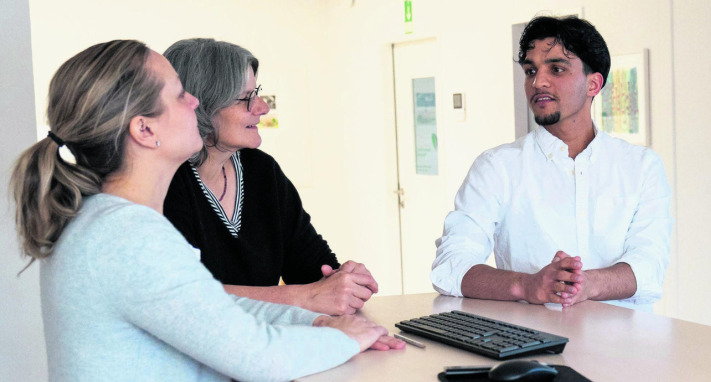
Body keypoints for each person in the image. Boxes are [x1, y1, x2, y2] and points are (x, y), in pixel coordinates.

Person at [11, 40, 402, 381]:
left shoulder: (106, 221)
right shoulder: (129, 238)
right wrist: (343, 337)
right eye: (180, 94)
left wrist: (314, 321)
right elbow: (258, 357)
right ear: (144, 130)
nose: (196, 101)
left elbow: (216, 307)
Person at [431, 16, 672, 311]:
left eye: (556, 69)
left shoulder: (641, 167)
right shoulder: (497, 167)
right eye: (530, 70)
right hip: (529, 346)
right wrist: (528, 285)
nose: (538, 82)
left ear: (593, 84)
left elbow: (649, 266)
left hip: (626, 346)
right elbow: (450, 266)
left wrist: (586, 284)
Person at [162, 38, 377, 316]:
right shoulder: (165, 181)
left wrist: (341, 280)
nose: (262, 107)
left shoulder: (261, 171)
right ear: (200, 104)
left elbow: (311, 268)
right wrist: (305, 296)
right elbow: (183, 295)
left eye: (258, 93)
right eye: (246, 98)